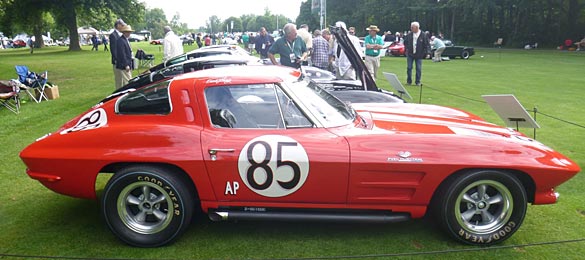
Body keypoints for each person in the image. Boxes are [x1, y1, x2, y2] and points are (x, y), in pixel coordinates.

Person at [403, 21, 430, 86]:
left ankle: (417, 81)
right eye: (411, 27)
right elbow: (405, 42)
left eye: (413, 28)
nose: (411, 29)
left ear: (417, 27)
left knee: (418, 68)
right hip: (410, 54)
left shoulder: (423, 35)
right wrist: (407, 49)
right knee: (409, 68)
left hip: (419, 54)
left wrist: (428, 53)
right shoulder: (409, 35)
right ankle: (409, 81)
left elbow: (427, 45)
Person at [115, 24, 135, 89]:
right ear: (124, 32)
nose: (129, 33)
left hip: (128, 62)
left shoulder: (126, 40)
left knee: (128, 80)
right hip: (124, 65)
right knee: (128, 80)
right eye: (128, 32)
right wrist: (126, 65)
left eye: (130, 32)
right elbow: (122, 54)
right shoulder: (121, 41)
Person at [110, 18, 126, 89]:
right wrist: (117, 60)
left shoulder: (121, 34)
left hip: (123, 60)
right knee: (118, 79)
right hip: (117, 61)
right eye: (122, 25)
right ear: (118, 25)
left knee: (123, 78)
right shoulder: (113, 35)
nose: (123, 26)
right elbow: (113, 50)